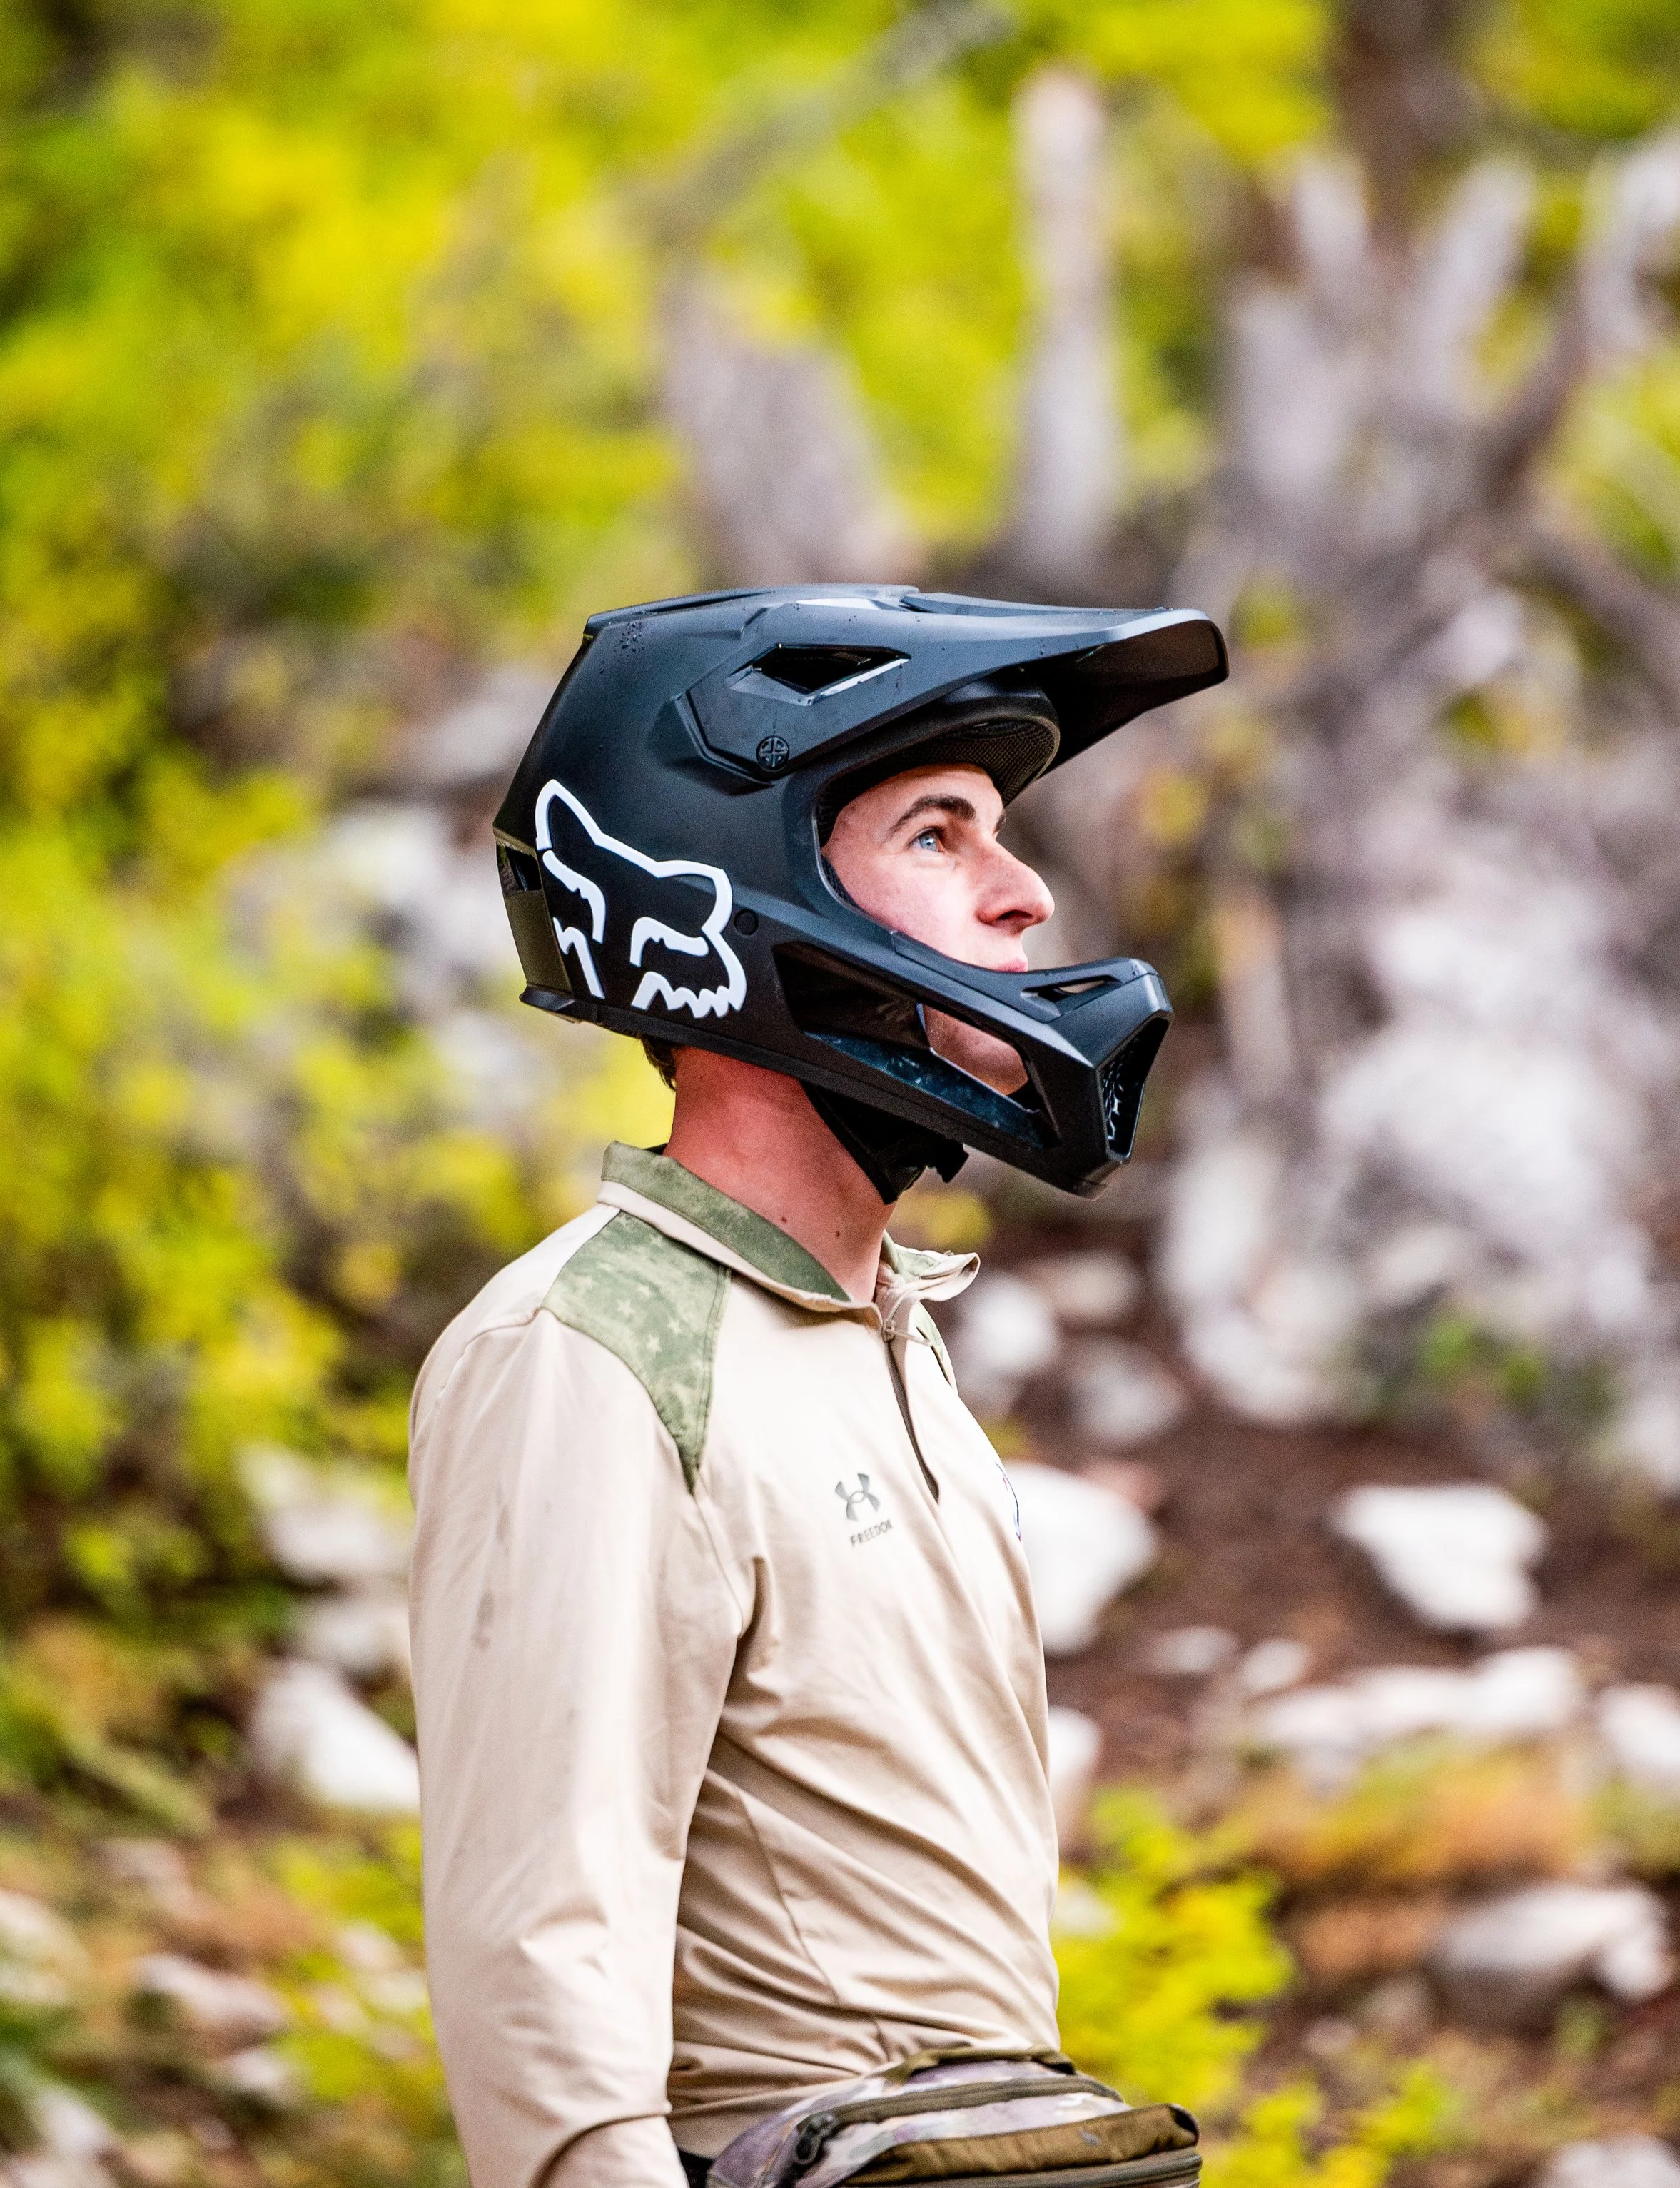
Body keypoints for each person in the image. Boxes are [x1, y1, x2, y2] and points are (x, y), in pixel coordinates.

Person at [407, 586, 1225, 2188]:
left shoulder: (878, 1339)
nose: (1021, 892)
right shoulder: (591, 1353)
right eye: (938, 835)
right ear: (740, 895)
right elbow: (539, 1971)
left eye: (998, 832)